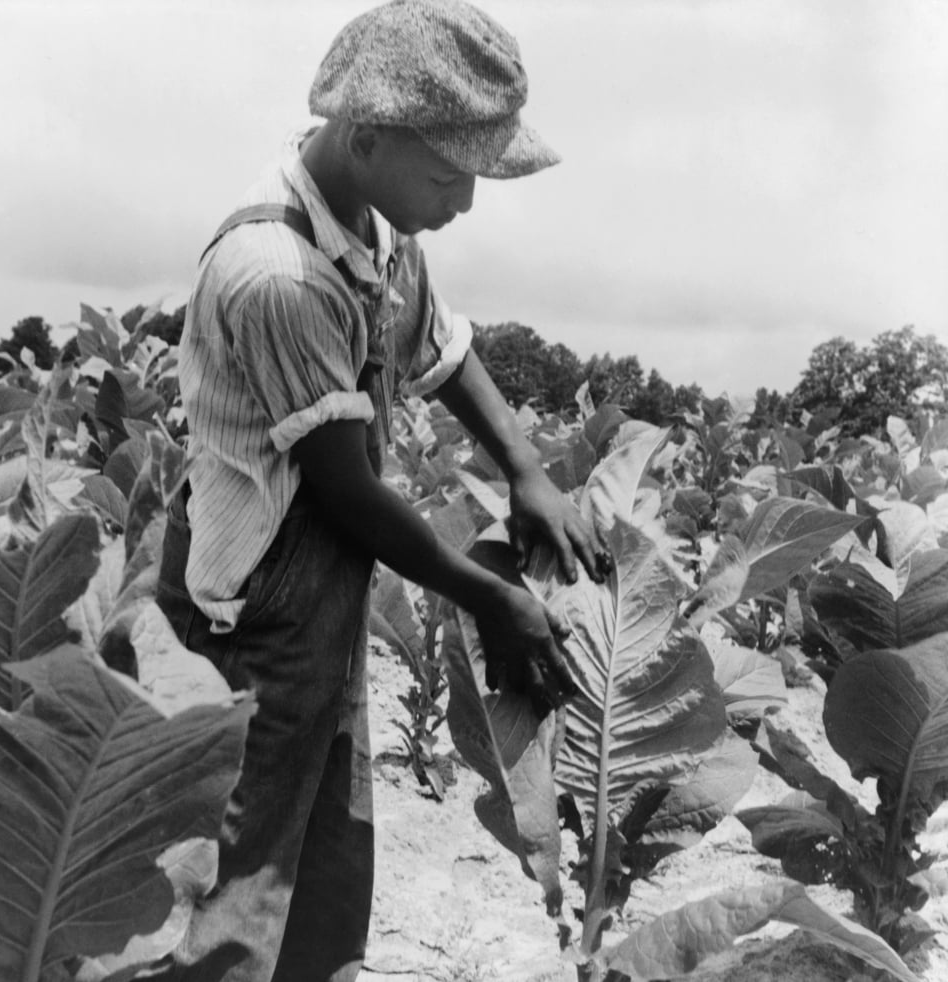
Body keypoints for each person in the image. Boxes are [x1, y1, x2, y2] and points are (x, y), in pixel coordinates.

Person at [154, 1, 610, 979]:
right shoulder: (276, 272)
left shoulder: (375, 221)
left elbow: (441, 348)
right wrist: (491, 598)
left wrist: (526, 470)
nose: (465, 203)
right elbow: (345, 491)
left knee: (333, 845)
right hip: (258, 594)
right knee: (250, 871)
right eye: (450, 176)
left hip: (326, 580)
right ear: (366, 138)